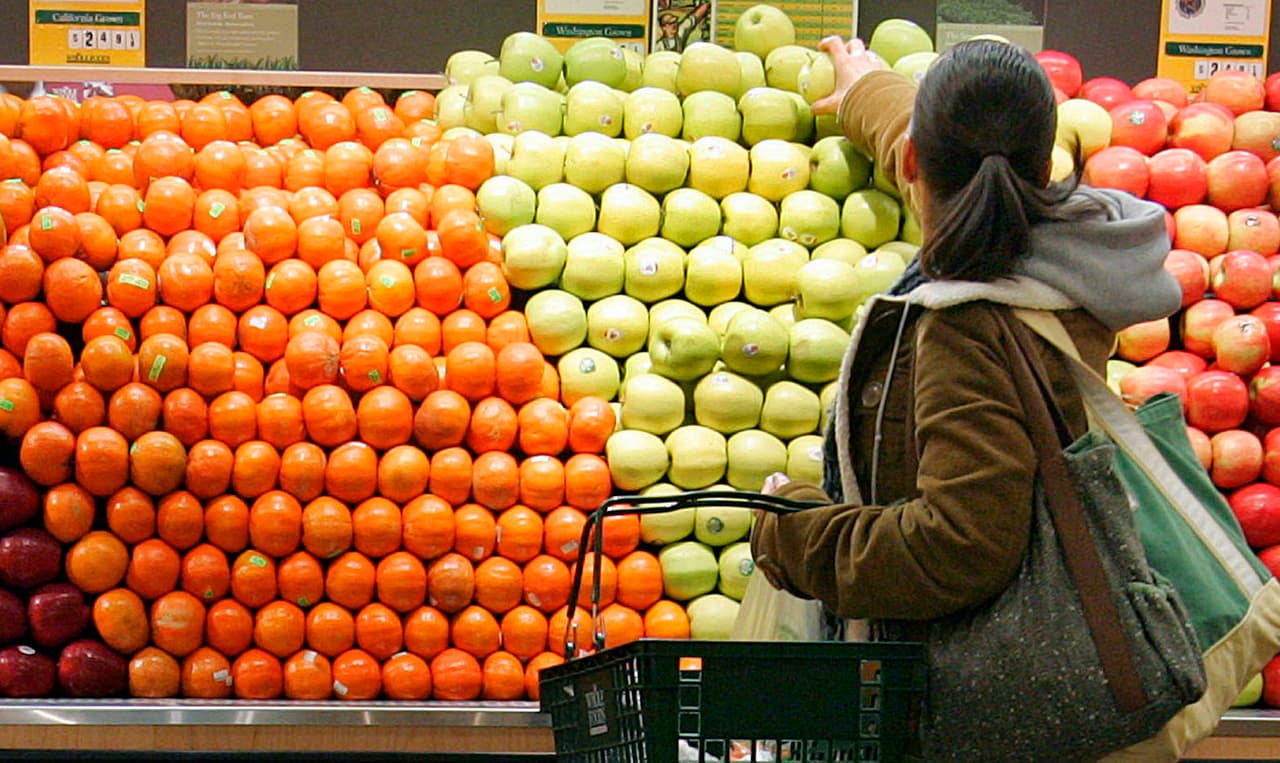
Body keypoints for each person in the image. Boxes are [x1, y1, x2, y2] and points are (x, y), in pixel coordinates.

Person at [748, 35, 1182, 755]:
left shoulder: (966, 325)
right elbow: (952, 159)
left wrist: (792, 532)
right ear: (1045, 166)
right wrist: (867, 91)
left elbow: (960, 544)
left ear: (916, 164)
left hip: (978, 715)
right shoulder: (1073, 246)